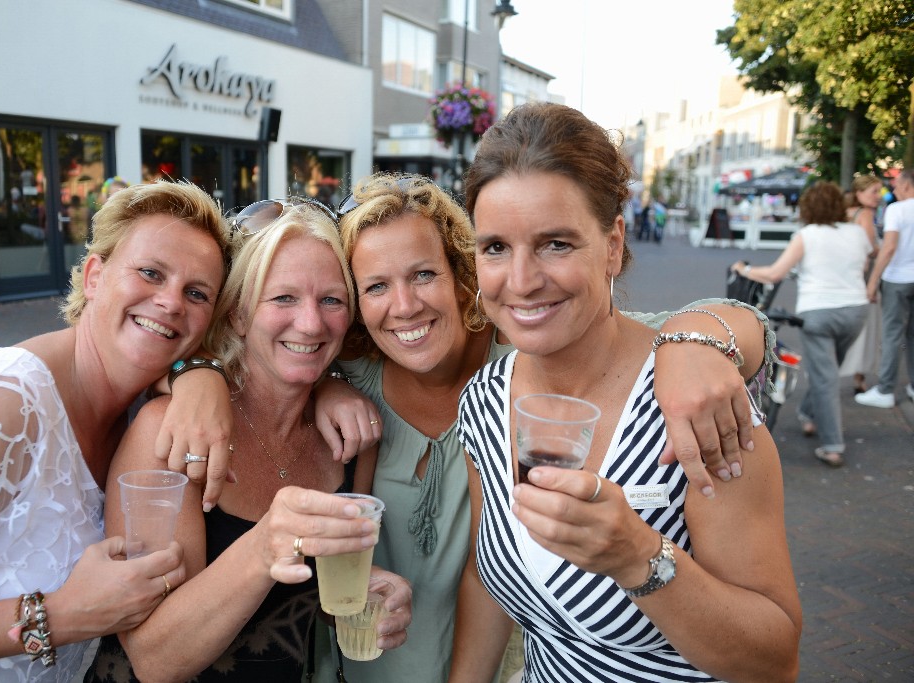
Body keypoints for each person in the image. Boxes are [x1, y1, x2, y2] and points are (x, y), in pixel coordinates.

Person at [303, 173, 775, 683]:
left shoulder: (530, 357)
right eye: (376, 286)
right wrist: (309, 382)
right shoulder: (371, 385)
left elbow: (673, 329)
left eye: (423, 275)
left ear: (463, 276)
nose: (404, 305)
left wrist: (696, 340)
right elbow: (264, 358)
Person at [453, 102, 802, 681]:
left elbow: (774, 660)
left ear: (613, 243)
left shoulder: (693, 404)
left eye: (556, 244)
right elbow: (483, 578)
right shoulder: (485, 401)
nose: (520, 282)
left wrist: (638, 558)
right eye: (495, 247)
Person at [0, 180, 234, 680]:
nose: (170, 302)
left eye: (196, 293)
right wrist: (60, 616)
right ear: (94, 275)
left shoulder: (136, 404)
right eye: (150, 273)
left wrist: (201, 374)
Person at [85, 200, 412, 682]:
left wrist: (366, 592)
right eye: (282, 298)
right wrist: (265, 546)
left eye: (332, 300)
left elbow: (310, 600)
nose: (311, 323)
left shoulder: (350, 438)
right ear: (237, 314)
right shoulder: (172, 430)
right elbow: (155, 658)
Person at [733, 181, 871, 467]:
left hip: (819, 311)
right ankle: (808, 415)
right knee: (827, 372)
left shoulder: (807, 235)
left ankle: (833, 445)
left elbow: (774, 274)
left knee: (825, 376)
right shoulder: (857, 232)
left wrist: (744, 269)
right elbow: (864, 264)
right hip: (856, 311)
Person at [855, 168, 914, 409]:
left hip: (897, 279)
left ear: (908, 185)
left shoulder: (897, 210)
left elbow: (888, 248)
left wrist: (872, 281)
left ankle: (886, 389)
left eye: (897, 184)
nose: (893, 189)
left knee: (892, 335)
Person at [839, 174, 884, 394]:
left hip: (845, 276)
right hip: (864, 277)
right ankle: (859, 377)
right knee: (867, 327)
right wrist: (886, 247)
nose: (878, 196)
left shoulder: (846, 213)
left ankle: (841, 371)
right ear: (859, 193)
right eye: (874, 191)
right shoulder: (865, 214)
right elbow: (870, 247)